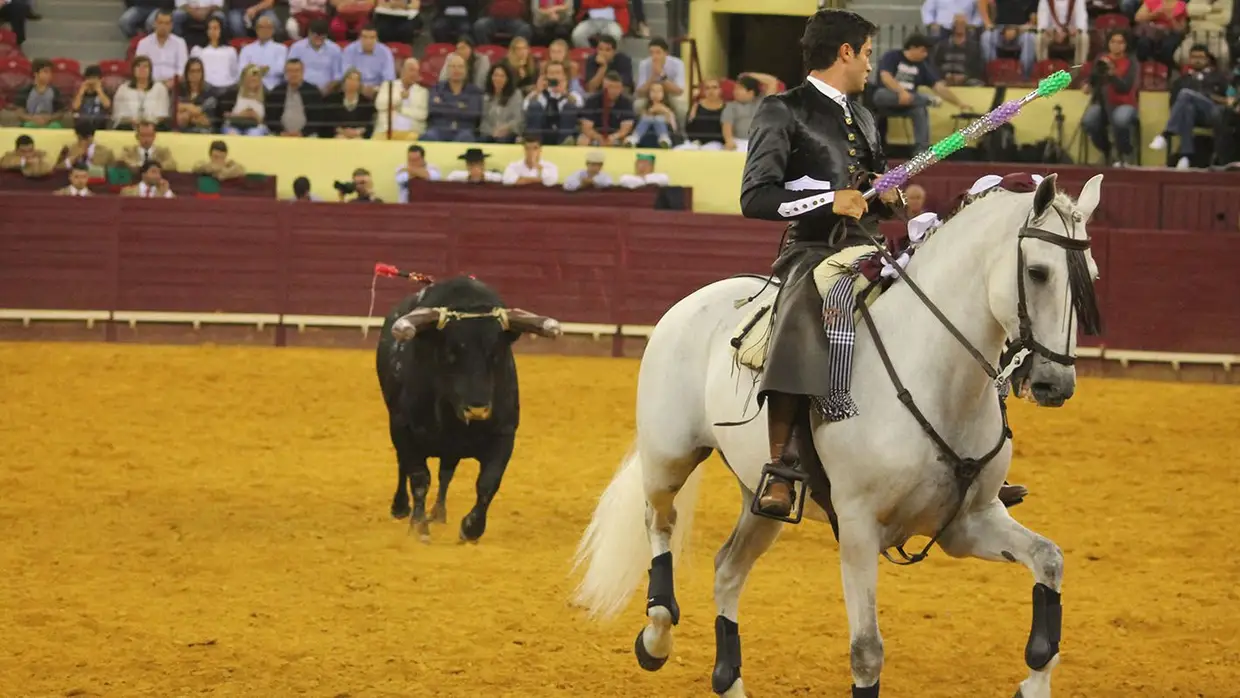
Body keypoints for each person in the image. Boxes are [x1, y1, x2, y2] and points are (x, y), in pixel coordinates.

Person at [739, 8, 1027, 522]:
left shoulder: (863, 115)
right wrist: (831, 200)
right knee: (805, 310)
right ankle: (781, 465)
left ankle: (964, 455)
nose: (872, 65)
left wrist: (883, 195)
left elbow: (868, 181)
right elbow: (755, 197)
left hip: (869, 246)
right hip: (812, 249)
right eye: (868, 54)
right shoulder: (782, 110)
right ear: (844, 52)